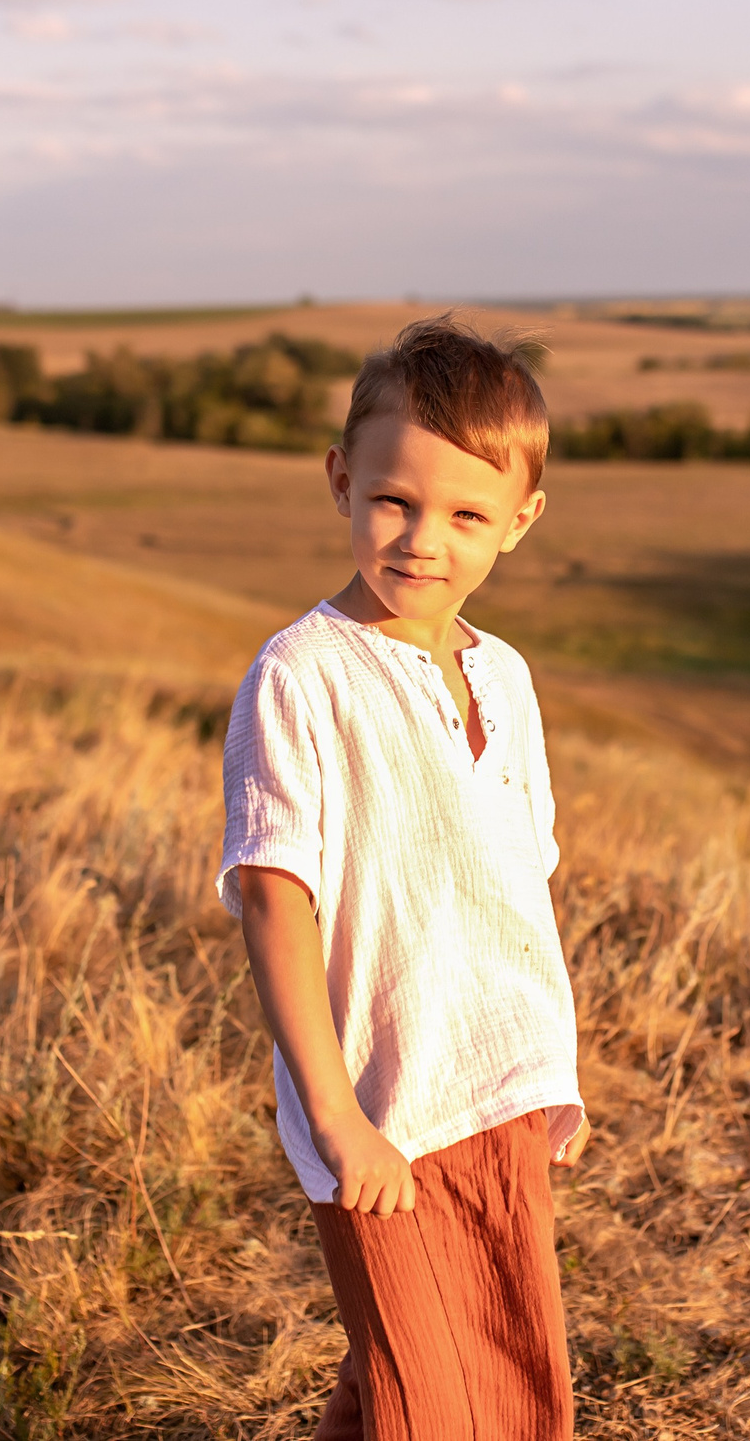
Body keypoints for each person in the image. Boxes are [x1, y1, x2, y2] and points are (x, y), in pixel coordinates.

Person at [218, 313, 588, 1440]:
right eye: (394, 500)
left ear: (518, 523)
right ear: (340, 480)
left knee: (500, 1373)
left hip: (502, 1084)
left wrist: (551, 1067)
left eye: (467, 514)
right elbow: (277, 897)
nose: (425, 540)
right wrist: (336, 1119)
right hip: (384, 1102)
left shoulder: (506, 678)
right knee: (428, 1394)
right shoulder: (303, 676)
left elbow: (521, 886)